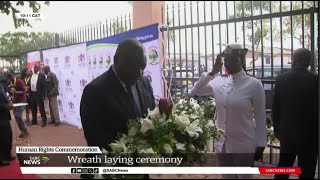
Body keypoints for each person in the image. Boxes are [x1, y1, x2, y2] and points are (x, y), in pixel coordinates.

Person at [186, 44, 267, 179]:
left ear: (241, 60)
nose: (228, 63)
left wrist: (261, 143)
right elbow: (195, 92)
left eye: (233, 59)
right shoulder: (218, 82)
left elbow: (260, 116)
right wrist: (212, 72)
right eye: (226, 59)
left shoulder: (253, 84)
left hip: (244, 144)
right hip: (222, 143)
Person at [80, 39, 155, 179]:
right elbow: (96, 139)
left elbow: (151, 118)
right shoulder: (95, 91)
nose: (139, 73)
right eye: (133, 66)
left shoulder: (144, 82)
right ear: (116, 60)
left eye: (142, 67)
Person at [272, 48, 319, 179]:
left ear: (294, 59)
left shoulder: (282, 79)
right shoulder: (315, 81)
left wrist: (278, 130)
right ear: (309, 61)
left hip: (287, 133)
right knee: (307, 171)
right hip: (311, 136)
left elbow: (276, 108)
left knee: (283, 168)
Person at [6, 70, 30, 138]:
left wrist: (16, 92)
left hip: (21, 101)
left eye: (11, 76)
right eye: (8, 76)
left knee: (18, 115)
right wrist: (10, 96)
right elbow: (8, 92)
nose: (10, 77)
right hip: (14, 102)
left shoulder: (19, 81)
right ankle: (22, 131)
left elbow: (24, 91)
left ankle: (26, 130)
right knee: (16, 117)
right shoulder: (8, 82)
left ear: (14, 75)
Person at [0, 81, 14, 166]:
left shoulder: (1, 85)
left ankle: (7, 155)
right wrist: (7, 106)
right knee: (2, 138)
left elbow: (3, 97)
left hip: (4, 115)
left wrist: (8, 101)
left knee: (9, 135)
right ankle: (1, 159)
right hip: (1, 115)